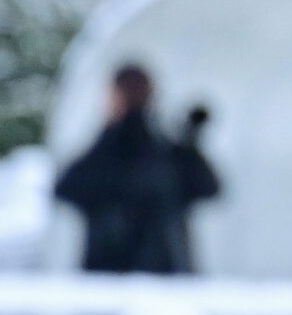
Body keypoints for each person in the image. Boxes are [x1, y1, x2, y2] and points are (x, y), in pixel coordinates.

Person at [55, 64, 221, 276]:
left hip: (111, 278)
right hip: (164, 278)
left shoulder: (111, 156)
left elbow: (66, 187)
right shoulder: (167, 154)